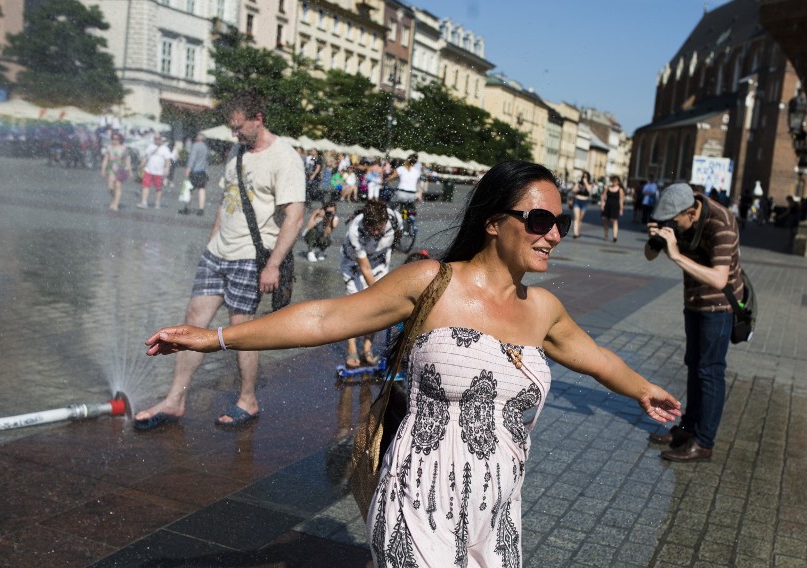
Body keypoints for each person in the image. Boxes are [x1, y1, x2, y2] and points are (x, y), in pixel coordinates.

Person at [144, 160, 681, 564]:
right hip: (418, 495)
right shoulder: (432, 284)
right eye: (540, 219)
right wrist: (214, 336)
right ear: (494, 222)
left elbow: (597, 358)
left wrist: (641, 388)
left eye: (559, 222)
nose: (555, 235)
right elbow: (325, 319)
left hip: (499, 508)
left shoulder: (542, 309)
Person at [133, 92, 305, 430]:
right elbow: (225, 201)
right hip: (218, 253)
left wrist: (273, 264)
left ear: (258, 118)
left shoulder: (284, 158)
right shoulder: (237, 151)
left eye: (238, 127)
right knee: (192, 322)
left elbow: (295, 217)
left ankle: (248, 399)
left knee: (242, 331)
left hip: (248, 257)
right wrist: (211, 243)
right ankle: (175, 399)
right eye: (231, 128)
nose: (234, 134)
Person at [645, 182, 742, 462]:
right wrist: (657, 241)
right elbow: (648, 256)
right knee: (694, 366)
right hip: (694, 303)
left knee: (709, 371)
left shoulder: (720, 223)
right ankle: (688, 430)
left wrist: (675, 255)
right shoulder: (678, 215)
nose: (673, 225)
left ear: (691, 212)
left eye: (676, 222)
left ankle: (704, 442)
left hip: (718, 306)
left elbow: (719, 278)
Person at [340, 200, 401, 368]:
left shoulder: (394, 219)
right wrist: (380, 292)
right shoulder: (355, 231)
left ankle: (367, 347)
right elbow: (364, 268)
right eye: (371, 228)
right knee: (354, 306)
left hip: (379, 261)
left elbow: (398, 236)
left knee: (375, 308)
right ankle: (351, 347)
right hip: (354, 263)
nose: (375, 232)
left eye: (379, 228)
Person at [137, 132, 174, 209]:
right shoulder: (150, 147)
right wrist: (141, 165)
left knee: (158, 188)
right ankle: (144, 202)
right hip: (148, 170)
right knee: (145, 186)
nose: (157, 140)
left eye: (158, 139)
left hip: (159, 172)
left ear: (161, 139)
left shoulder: (165, 149)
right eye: (155, 139)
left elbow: (168, 160)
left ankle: (157, 203)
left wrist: (167, 169)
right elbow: (146, 157)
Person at [100, 131, 132, 212]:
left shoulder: (124, 149)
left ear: (120, 139)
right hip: (111, 169)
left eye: (117, 139)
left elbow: (127, 161)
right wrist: (103, 169)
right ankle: (115, 200)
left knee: (118, 186)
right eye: (113, 139)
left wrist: (130, 171)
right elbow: (106, 159)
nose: (115, 140)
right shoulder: (109, 148)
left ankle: (116, 204)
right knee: (110, 188)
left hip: (121, 169)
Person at [179, 132, 210, 216]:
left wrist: (188, 169)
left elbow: (192, 158)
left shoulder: (195, 146)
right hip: (203, 171)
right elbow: (207, 160)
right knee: (201, 189)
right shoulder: (206, 147)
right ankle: (201, 209)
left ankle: (186, 208)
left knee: (189, 189)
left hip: (195, 171)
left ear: (197, 139)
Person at [601, 175, 625, 242]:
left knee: (615, 221)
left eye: (615, 181)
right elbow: (603, 197)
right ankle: (606, 235)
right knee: (606, 221)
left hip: (616, 207)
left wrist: (621, 209)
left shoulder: (620, 190)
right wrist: (602, 205)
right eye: (613, 180)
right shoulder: (608, 188)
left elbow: (621, 200)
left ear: (618, 182)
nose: (614, 182)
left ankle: (615, 236)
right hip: (607, 206)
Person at [569, 171, 592, 238]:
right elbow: (573, 190)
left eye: (586, 176)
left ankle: (578, 231)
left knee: (580, 219)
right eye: (583, 176)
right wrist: (578, 187)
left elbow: (589, 191)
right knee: (576, 218)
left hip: (584, 202)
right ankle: (575, 233)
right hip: (577, 200)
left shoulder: (590, 184)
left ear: (588, 177)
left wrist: (586, 183)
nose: (584, 178)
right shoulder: (579, 183)